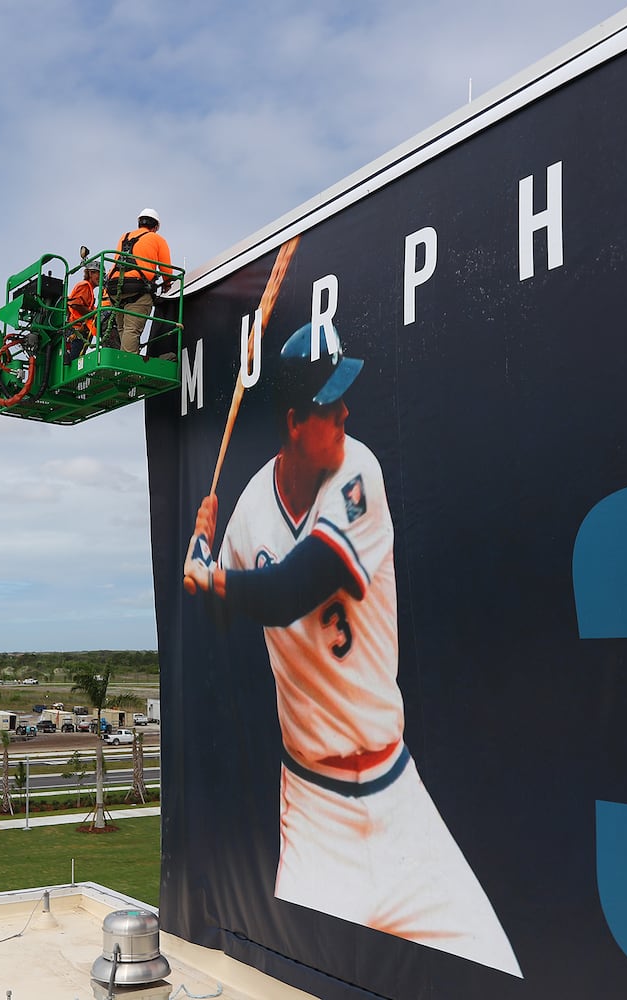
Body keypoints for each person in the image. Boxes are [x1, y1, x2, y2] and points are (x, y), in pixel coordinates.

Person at [182, 323, 522, 977]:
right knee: (292, 982)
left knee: (497, 972)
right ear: (291, 422)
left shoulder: (357, 468)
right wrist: (201, 559)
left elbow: (288, 590)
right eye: (327, 403)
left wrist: (212, 574)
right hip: (314, 816)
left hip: (398, 802)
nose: (344, 411)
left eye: (343, 395)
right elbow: (220, 608)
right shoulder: (251, 506)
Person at [104, 208, 173, 353]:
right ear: (156, 227)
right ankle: (127, 367)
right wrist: (167, 284)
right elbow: (167, 270)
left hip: (114, 289)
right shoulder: (157, 239)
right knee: (131, 329)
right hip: (136, 289)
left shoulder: (125, 236)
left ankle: (124, 357)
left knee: (123, 328)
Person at [65, 253, 102, 363]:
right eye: (98, 274)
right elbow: (76, 304)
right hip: (76, 331)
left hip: (79, 331)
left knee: (76, 360)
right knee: (74, 362)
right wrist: (93, 313)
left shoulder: (89, 290)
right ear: (91, 273)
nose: (100, 278)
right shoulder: (85, 286)